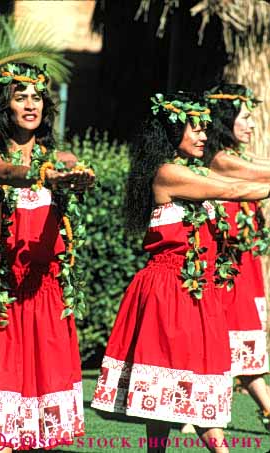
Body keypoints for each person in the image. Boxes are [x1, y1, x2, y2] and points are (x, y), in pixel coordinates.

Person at [91, 92, 270, 453]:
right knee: (166, 378)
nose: (204, 136)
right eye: (196, 129)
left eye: (206, 128)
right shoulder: (169, 173)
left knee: (194, 379)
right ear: (174, 131)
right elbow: (235, 189)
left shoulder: (192, 172)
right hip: (168, 290)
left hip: (198, 292)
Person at [0, 63, 94, 452]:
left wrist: (73, 176)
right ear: (3, 106)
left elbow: (73, 169)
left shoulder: (63, 160)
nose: (29, 105)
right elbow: (5, 170)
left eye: (36, 97)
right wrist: (44, 177)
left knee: (44, 426)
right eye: (20, 97)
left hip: (45, 295)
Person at [204, 83, 270, 425]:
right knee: (231, 336)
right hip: (223, 266)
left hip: (243, 264)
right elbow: (260, 173)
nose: (252, 125)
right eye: (245, 117)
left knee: (240, 340)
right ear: (224, 121)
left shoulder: (236, 156)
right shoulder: (219, 161)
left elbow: (261, 164)